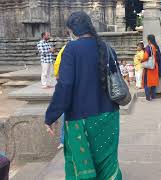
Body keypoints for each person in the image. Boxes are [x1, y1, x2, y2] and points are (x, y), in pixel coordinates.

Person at [45, 11, 122, 179]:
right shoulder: (106, 47)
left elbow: (64, 86)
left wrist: (50, 116)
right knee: (109, 164)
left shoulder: (71, 49)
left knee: (81, 165)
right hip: (109, 115)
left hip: (81, 119)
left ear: (72, 30)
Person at [142, 35, 160, 101]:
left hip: (149, 68)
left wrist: (141, 60)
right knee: (153, 83)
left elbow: (146, 57)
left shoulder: (148, 47)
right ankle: (153, 96)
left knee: (147, 82)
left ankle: (148, 97)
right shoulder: (155, 47)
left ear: (149, 40)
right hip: (155, 66)